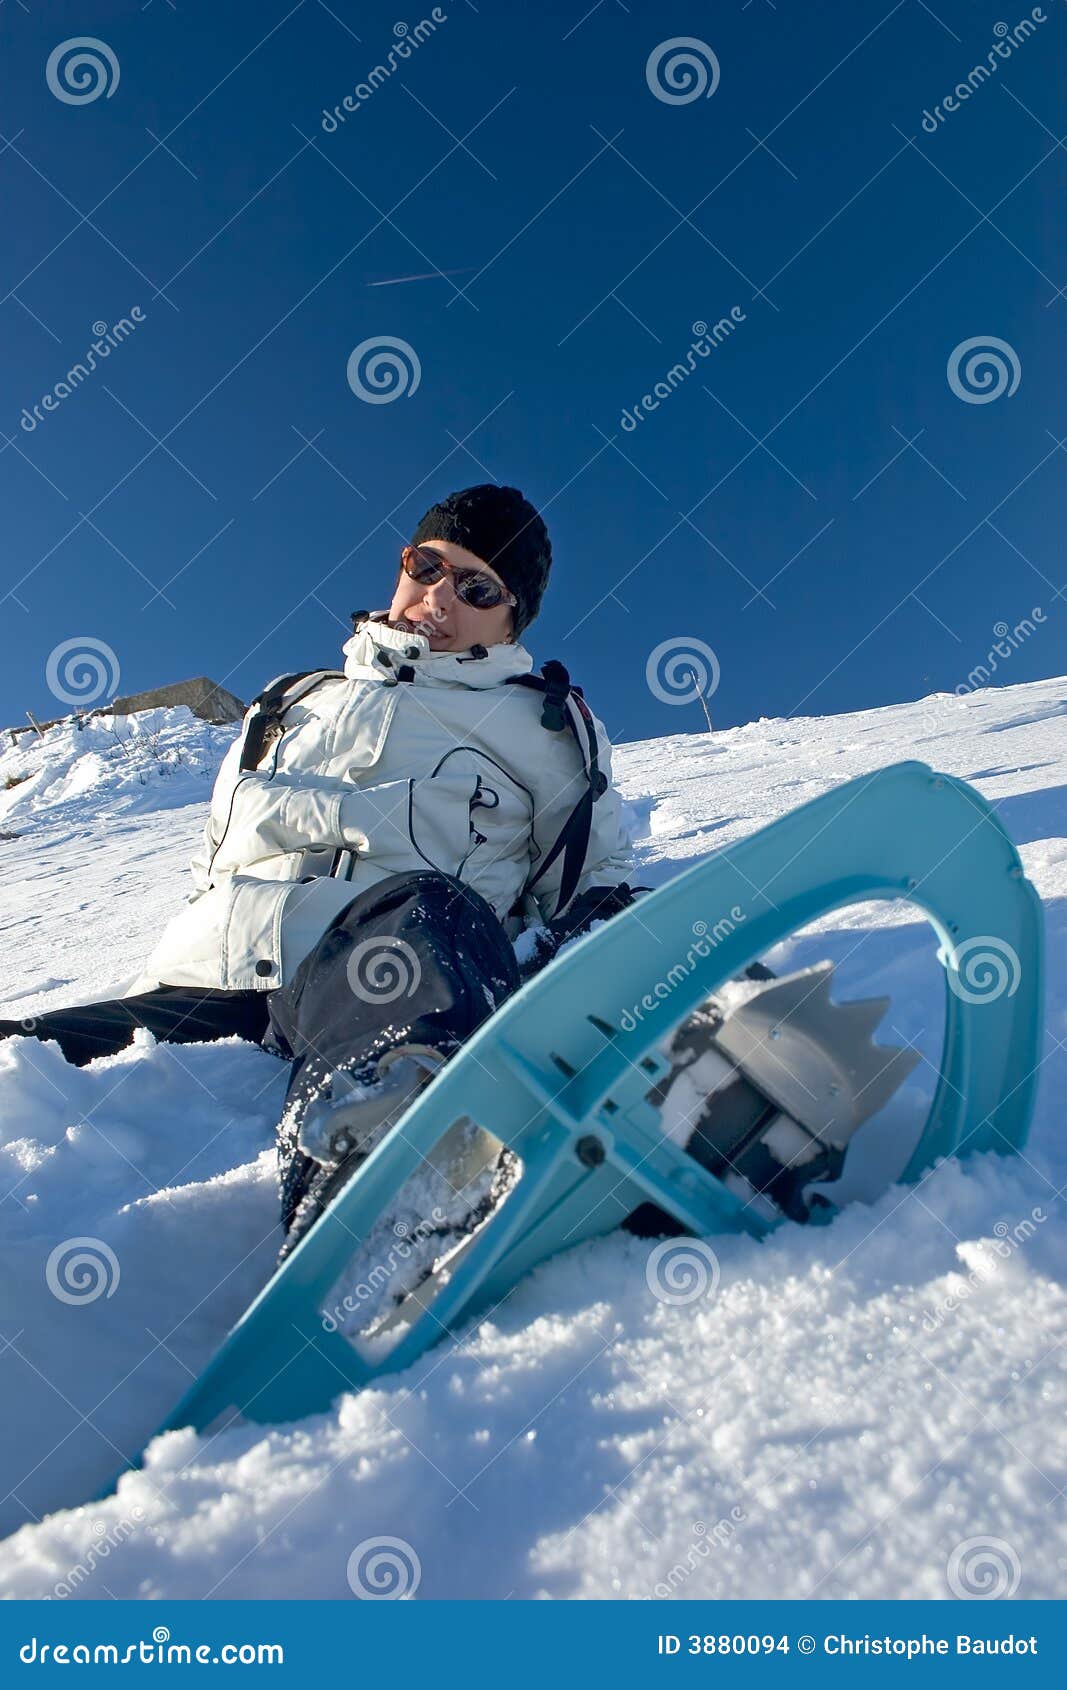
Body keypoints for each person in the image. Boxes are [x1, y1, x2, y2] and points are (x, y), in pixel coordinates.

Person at [1, 485, 639, 1254]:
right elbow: (215, 860)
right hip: (217, 977)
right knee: (22, 1057)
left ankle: (387, 1184)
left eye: (476, 587)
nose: (439, 595)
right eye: (426, 564)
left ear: (512, 616)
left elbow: (589, 883)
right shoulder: (289, 702)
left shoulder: (543, 725)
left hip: (389, 966)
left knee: (427, 904)